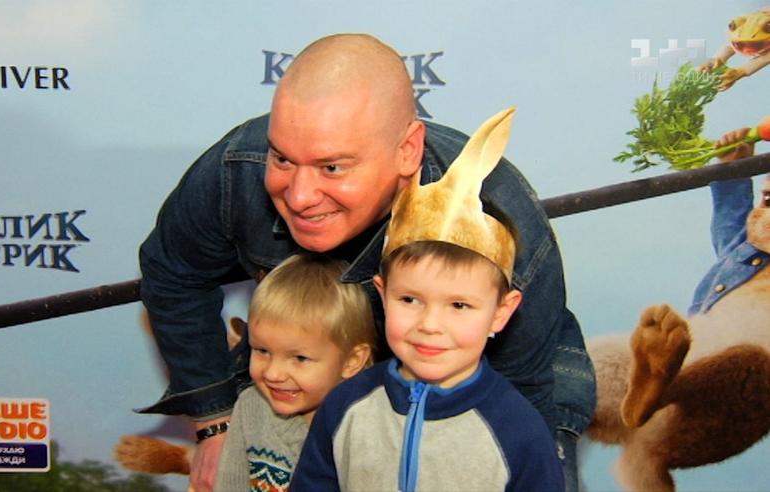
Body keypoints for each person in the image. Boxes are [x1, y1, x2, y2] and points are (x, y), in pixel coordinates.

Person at [138, 33, 595, 491]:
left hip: (498, 388)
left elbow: (525, 391)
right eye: (283, 159)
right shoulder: (238, 168)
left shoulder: (498, 214)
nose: (299, 196)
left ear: (407, 151)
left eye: (332, 167)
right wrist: (215, 420)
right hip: (319, 375)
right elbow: (173, 275)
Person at [290, 108, 563, 491]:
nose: (430, 325)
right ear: (382, 294)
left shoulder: (520, 432)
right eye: (410, 300)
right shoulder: (344, 406)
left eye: (459, 305)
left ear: (501, 313)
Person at [213, 254, 376, 491]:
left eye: (299, 358)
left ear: (352, 361)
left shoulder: (369, 427)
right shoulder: (250, 406)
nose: (273, 374)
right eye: (262, 350)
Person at [688, 127, 769, 317]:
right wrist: (733, 172)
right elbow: (732, 229)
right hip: (706, 330)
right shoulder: (750, 249)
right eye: (768, 200)